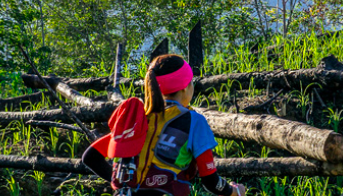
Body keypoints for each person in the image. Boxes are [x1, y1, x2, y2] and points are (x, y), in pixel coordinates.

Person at [82, 54, 246, 196]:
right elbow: (210, 181)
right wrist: (235, 191)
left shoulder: (138, 121)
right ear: (185, 88)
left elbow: (90, 157)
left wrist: (125, 184)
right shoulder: (194, 121)